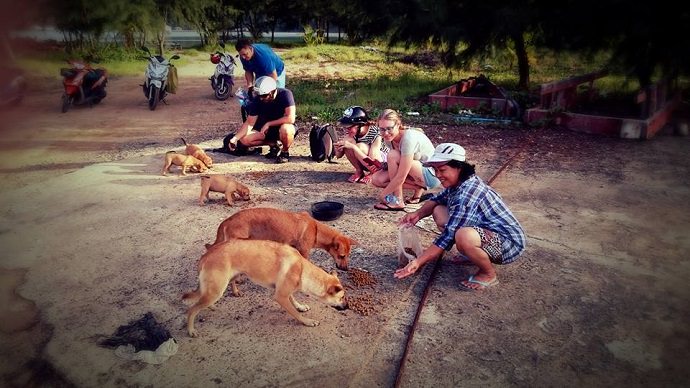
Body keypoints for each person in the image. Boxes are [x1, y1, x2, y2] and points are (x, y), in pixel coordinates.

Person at [394, 143, 526, 291]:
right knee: (439, 210)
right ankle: (473, 254)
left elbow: (448, 236)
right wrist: (417, 214)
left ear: (460, 168)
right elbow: (436, 200)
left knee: (463, 236)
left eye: (442, 169)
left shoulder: (468, 193)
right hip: (488, 233)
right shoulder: (457, 184)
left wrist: (419, 261)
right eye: (435, 170)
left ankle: (488, 274)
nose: (437, 175)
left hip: (508, 244)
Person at [370, 108, 441, 210]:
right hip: (417, 172)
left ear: (398, 125)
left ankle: (398, 200)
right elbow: (399, 165)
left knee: (393, 155)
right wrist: (383, 166)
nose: (385, 133)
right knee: (377, 179)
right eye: (382, 129)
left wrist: (383, 195)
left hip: (431, 176)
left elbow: (401, 175)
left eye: (389, 128)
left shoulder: (408, 138)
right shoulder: (389, 139)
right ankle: (417, 190)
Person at [225, 76, 296, 164]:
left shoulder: (285, 94)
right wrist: (235, 138)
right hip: (267, 131)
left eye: (264, 96)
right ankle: (273, 145)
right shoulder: (258, 100)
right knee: (244, 139)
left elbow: (290, 118)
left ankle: (285, 152)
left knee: (286, 130)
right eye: (260, 96)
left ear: (272, 92)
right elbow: (249, 123)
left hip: (283, 127)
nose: (261, 98)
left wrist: (269, 124)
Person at [334, 106, 389, 184]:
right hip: (365, 160)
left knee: (359, 146)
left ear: (360, 125)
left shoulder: (376, 133)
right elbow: (338, 156)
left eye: (349, 127)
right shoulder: (351, 133)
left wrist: (353, 147)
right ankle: (359, 171)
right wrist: (338, 149)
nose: (347, 129)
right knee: (348, 143)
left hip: (380, 162)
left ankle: (373, 174)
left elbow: (375, 159)